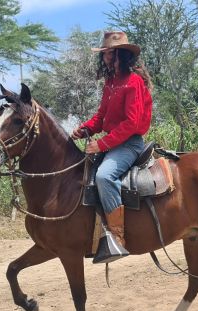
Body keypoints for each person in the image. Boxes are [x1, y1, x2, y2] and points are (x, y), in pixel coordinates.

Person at [71, 31, 153, 262]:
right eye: (104, 52)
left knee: (105, 177)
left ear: (121, 55)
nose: (106, 56)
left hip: (130, 144)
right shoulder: (111, 83)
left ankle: (117, 239)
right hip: (114, 143)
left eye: (110, 52)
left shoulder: (133, 82)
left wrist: (102, 144)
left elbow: (131, 123)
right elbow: (101, 117)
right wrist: (85, 128)